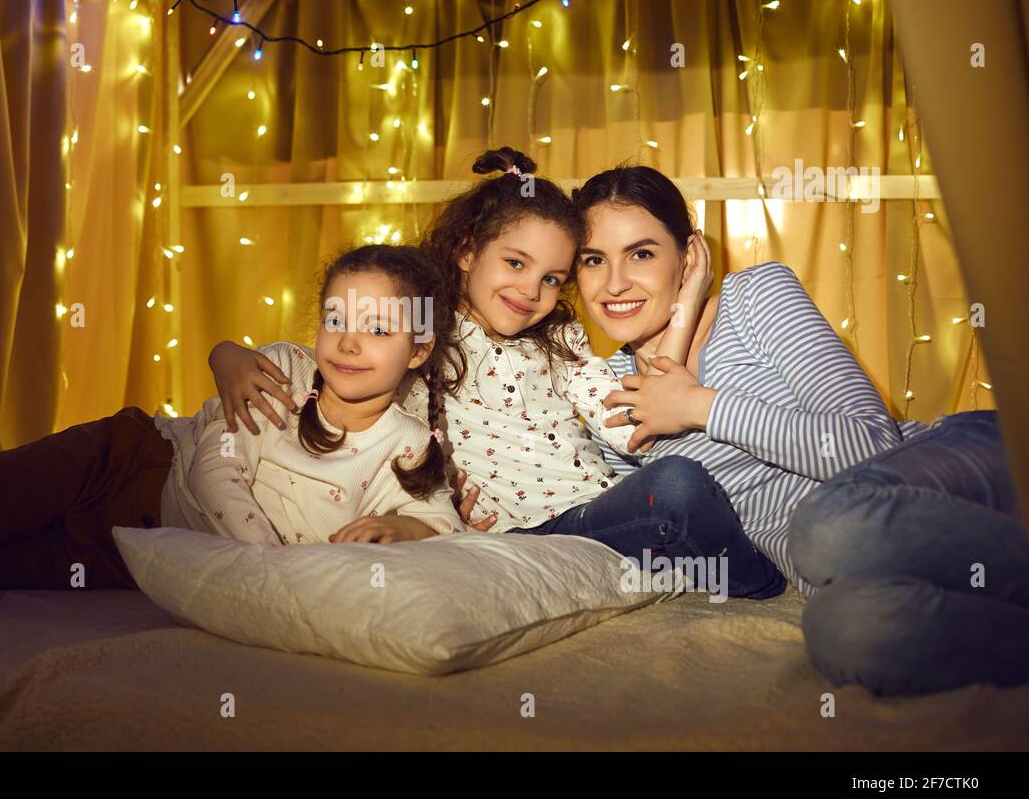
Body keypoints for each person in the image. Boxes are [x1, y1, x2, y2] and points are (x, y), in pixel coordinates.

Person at [210, 148, 787, 600]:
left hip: (591, 514)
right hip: (511, 536)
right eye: (515, 263)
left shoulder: (560, 343)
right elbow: (344, 355)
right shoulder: (424, 338)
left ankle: (741, 574)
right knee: (681, 491)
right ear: (466, 250)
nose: (529, 291)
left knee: (678, 483)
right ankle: (754, 581)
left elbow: (639, 423)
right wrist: (229, 352)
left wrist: (683, 310)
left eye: (553, 278)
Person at [0, 244, 464, 589]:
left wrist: (407, 526)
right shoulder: (288, 372)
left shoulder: (403, 448)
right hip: (133, 460)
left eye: (376, 328)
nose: (347, 340)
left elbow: (448, 537)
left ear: (419, 347)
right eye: (337, 317)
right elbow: (217, 463)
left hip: (141, 551)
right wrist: (263, 565)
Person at [569, 162, 1027, 694]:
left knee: (828, 528)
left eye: (642, 253)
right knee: (846, 632)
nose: (616, 282)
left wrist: (700, 406)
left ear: (688, 256)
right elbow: (597, 505)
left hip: (957, 471)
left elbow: (871, 445)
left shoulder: (755, 298)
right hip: (850, 566)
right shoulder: (605, 393)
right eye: (594, 260)